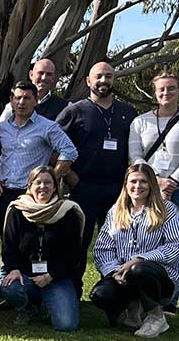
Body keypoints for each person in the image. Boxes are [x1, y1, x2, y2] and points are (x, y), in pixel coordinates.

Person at [55, 60, 138, 270]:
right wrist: (71, 177)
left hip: (118, 190)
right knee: (78, 241)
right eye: (98, 76)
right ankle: (73, 289)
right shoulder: (74, 111)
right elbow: (53, 147)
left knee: (118, 242)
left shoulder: (128, 112)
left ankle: (115, 288)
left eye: (108, 76)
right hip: (83, 187)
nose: (103, 80)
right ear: (88, 81)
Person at [91, 163, 179, 339]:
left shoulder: (167, 210)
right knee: (100, 294)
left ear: (152, 184)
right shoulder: (116, 211)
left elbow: (176, 247)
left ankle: (156, 316)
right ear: (126, 185)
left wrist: (139, 259)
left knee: (139, 270)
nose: (137, 186)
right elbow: (102, 249)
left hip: (160, 275)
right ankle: (133, 307)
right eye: (133, 181)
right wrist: (114, 271)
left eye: (143, 181)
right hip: (124, 275)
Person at [0, 166, 84, 331]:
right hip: (25, 277)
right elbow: (8, 246)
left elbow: (73, 254)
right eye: (38, 182)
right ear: (30, 186)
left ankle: (49, 304)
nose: (43, 187)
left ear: (55, 186)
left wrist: (51, 276)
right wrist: (13, 269)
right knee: (10, 288)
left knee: (66, 325)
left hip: (55, 277)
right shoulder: (17, 210)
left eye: (48, 183)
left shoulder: (67, 211)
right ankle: (28, 308)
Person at [0, 81, 77, 237]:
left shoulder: (47, 127)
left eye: (27, 98)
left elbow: (69, 151)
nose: (21, 102)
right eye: (17, 97)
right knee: (8, 240)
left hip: (32, 195)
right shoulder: (2, 128)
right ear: (11, 100)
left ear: (35, 100)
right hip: (6, 192)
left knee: (31, 241)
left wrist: (53, 177)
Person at [129, 71, 179, 236]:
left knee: (175, 240)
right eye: (161, 89)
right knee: (143, 237)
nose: (165, 93)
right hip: (145, 190)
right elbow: (135, 156)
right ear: (155, 93)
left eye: (171, 88)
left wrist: (170, 182)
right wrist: (156, 181)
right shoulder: (140, 122)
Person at [0, 58, 68, 122]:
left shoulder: (64, 107)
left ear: (53, 78)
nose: (44, 78)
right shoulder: (13, 106)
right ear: (31, 75)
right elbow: (0, 132)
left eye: (49, 74)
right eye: (40, 73)